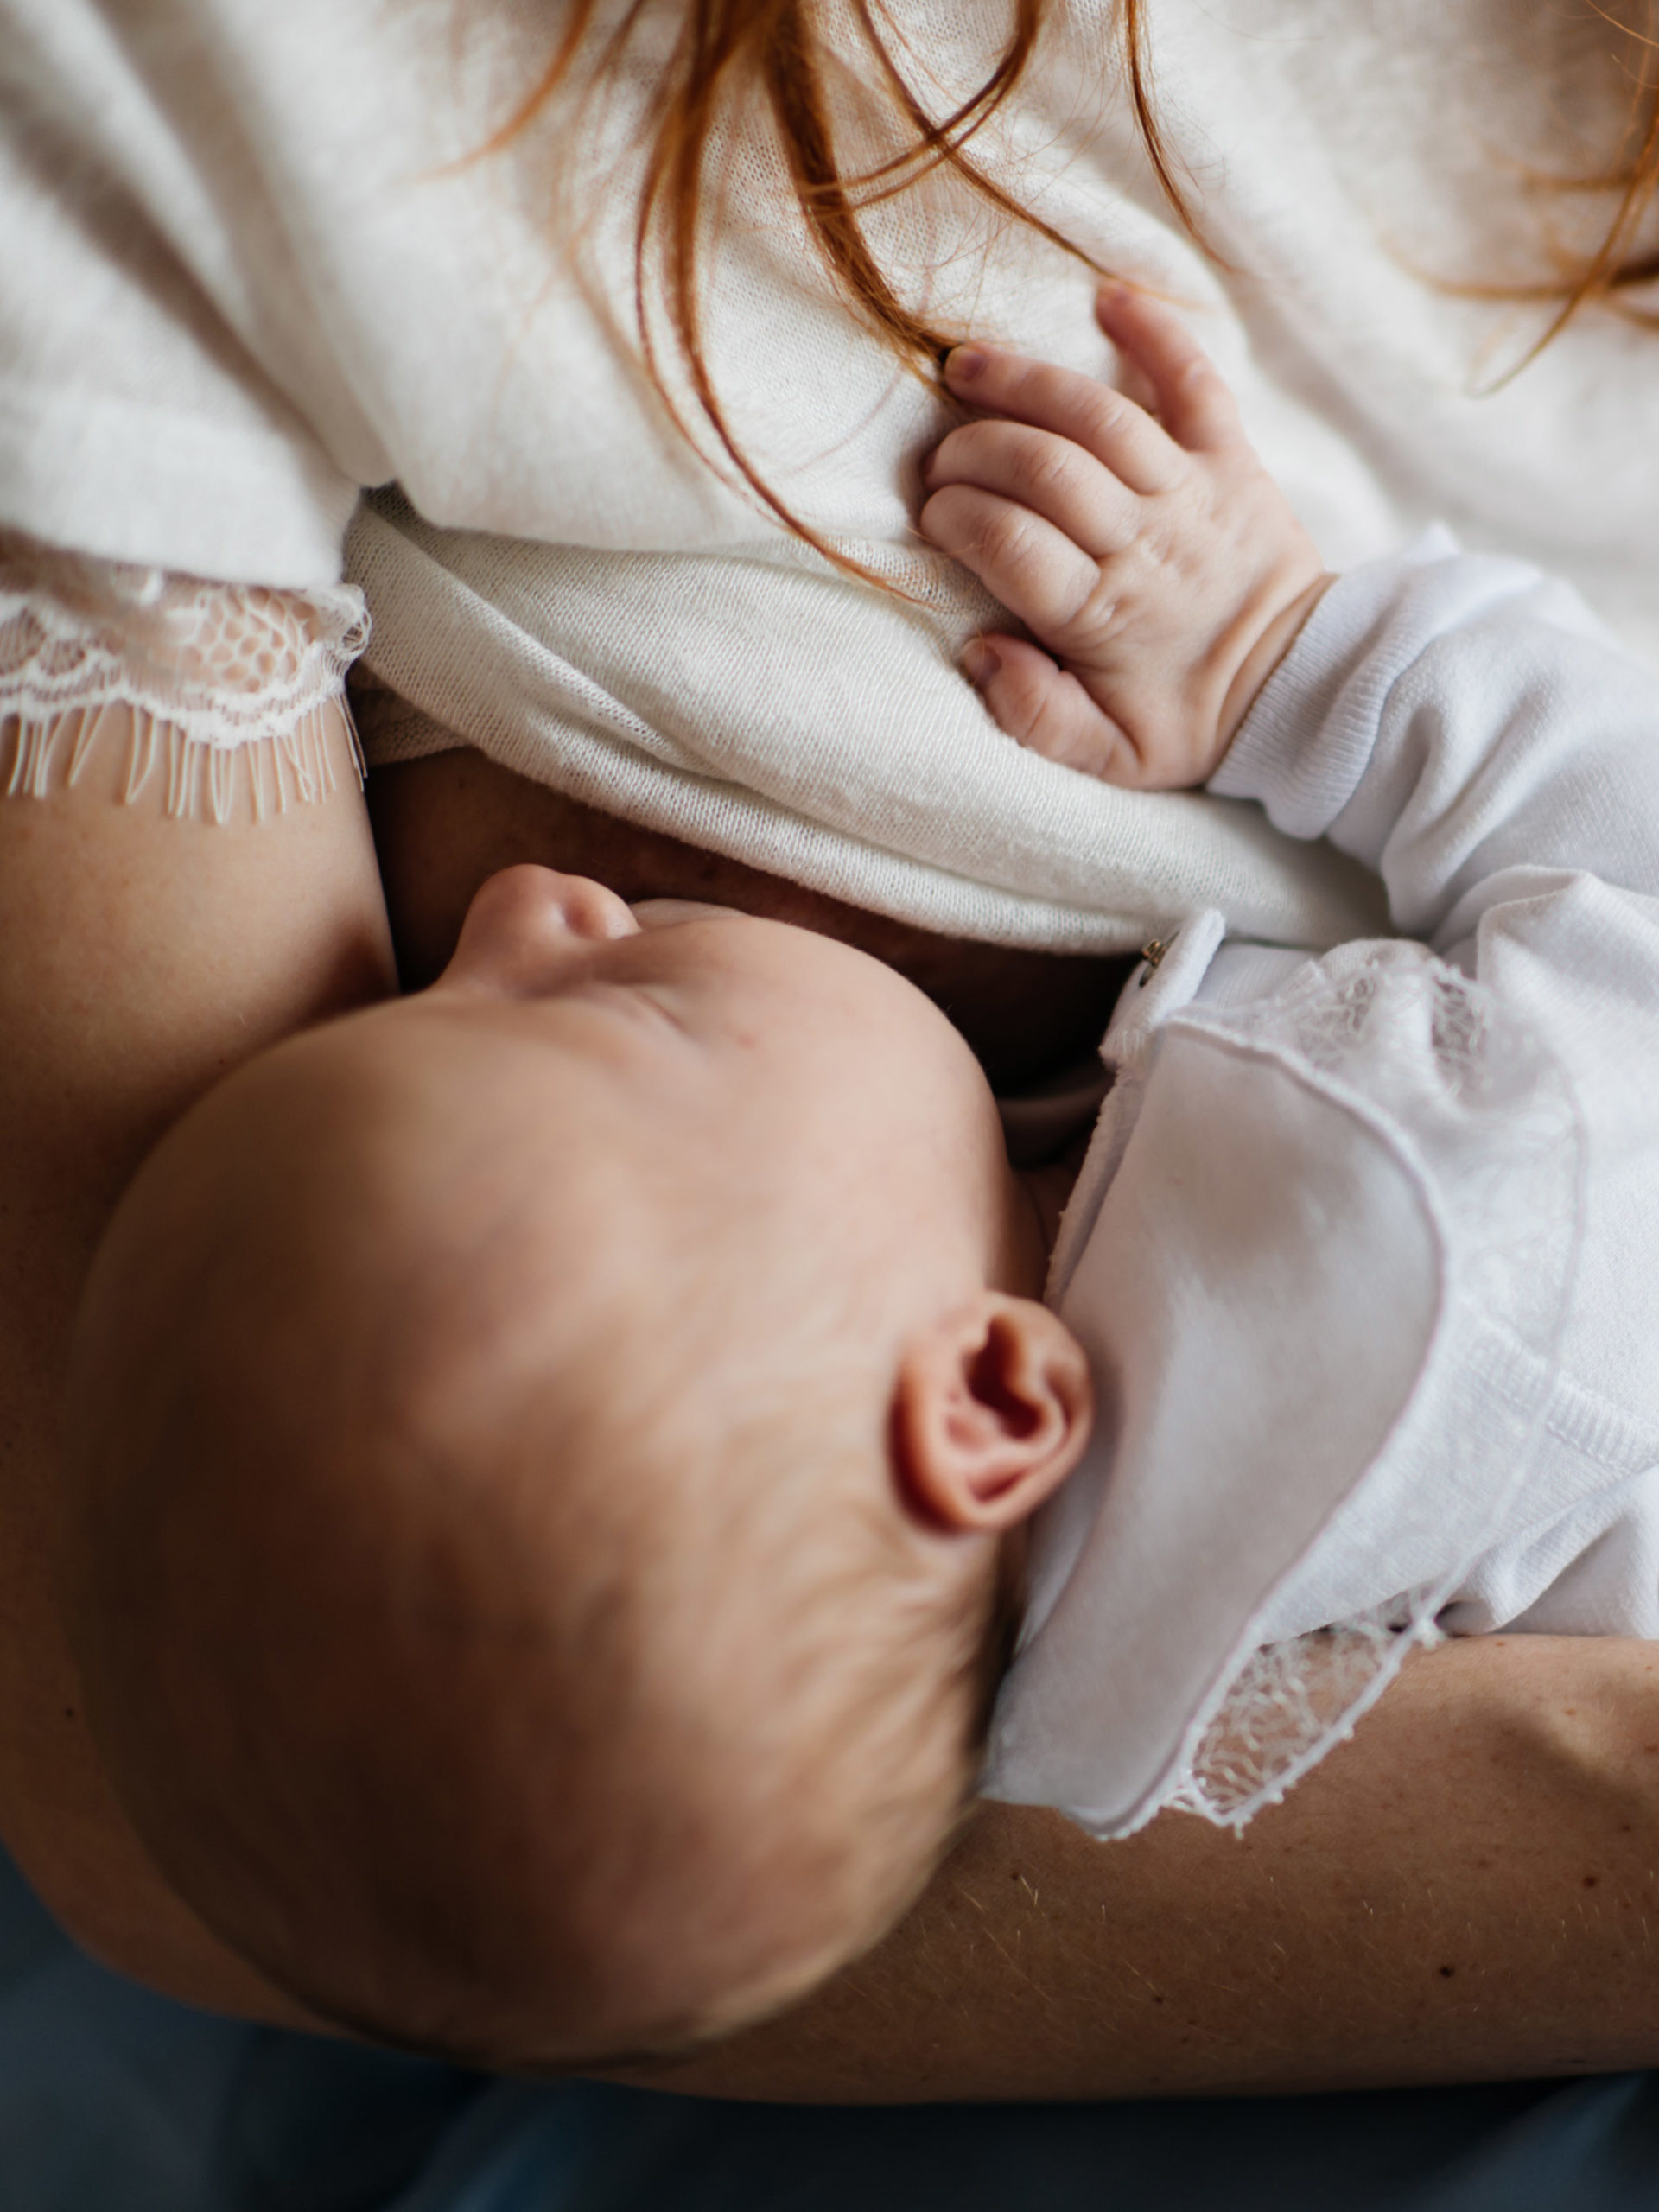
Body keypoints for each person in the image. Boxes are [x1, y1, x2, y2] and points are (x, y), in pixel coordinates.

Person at [8, 0, 1659, 2119]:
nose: (519, 925)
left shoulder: (1012, 1694)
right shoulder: (1390, 1219)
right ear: (988, 1396)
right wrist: (1288, 662)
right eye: (619, 1014)